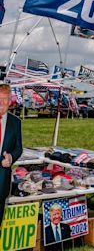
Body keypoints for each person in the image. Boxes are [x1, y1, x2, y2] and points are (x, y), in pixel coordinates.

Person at [0, 84, 23, 227]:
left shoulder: (16, 122)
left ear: (10, 102)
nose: (1, 103)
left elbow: (18, 148)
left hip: (2, 178)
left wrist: (11, 158)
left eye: (4, 99)